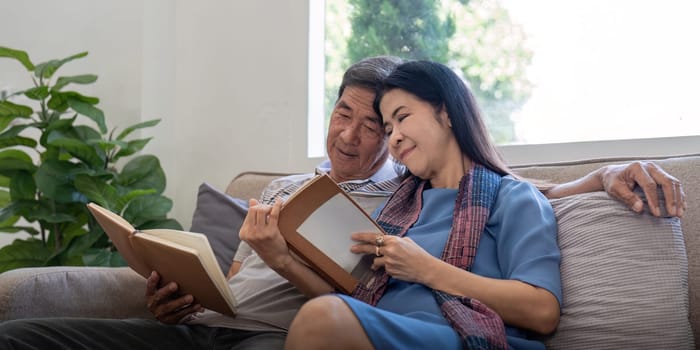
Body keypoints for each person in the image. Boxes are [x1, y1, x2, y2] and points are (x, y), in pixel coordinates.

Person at [0, 56, 686, 349]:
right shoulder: (398, 208)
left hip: (432, 333)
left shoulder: (492, 198)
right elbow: (345, 289)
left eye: (394, 120)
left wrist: (607, 174)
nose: (384, 137)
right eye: (377, 123)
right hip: (286, 323)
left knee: (328, 317)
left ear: (447, 113)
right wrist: (265, 255)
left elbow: (540, 302)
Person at [282, 59, 555, 349]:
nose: (395, 137)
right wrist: (283, 259)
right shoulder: (392, 210)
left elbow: (543, 311)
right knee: (323, 316)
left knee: (322, 318)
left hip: (462, 336)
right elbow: (349, 295)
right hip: (380, 331)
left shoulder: (513, 197)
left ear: (447, 112)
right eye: (387, 129)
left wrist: (426, 269)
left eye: (403, 117)